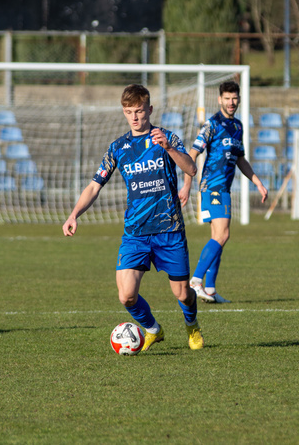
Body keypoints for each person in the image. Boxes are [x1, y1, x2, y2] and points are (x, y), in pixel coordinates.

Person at [62, 84, 203, 351]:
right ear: (124, 112)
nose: (135, 117)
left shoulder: (167, 137)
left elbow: (192, 169)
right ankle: (153, 330)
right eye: (129, 112)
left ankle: (192, 325)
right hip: (135, 232)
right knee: (126, 296)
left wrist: (170, 149)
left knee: (182, 293)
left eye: (139, 111)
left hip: (168, 230)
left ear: (149, 109)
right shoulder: (118, 148)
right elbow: (94, 185)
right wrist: (74, 214)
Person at [179, 80, 268, 303]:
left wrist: (257, 182)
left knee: (217, 237)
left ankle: (210, 289)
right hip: (213, 187)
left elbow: (240, 159)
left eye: (234, 98)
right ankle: (196, 281)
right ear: (219, 100)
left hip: (224, 188)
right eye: (227, 98)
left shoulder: (238, 126)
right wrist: (187, 186)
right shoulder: (212, 125)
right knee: (223, 234)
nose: (231, 102)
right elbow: (192, 153)